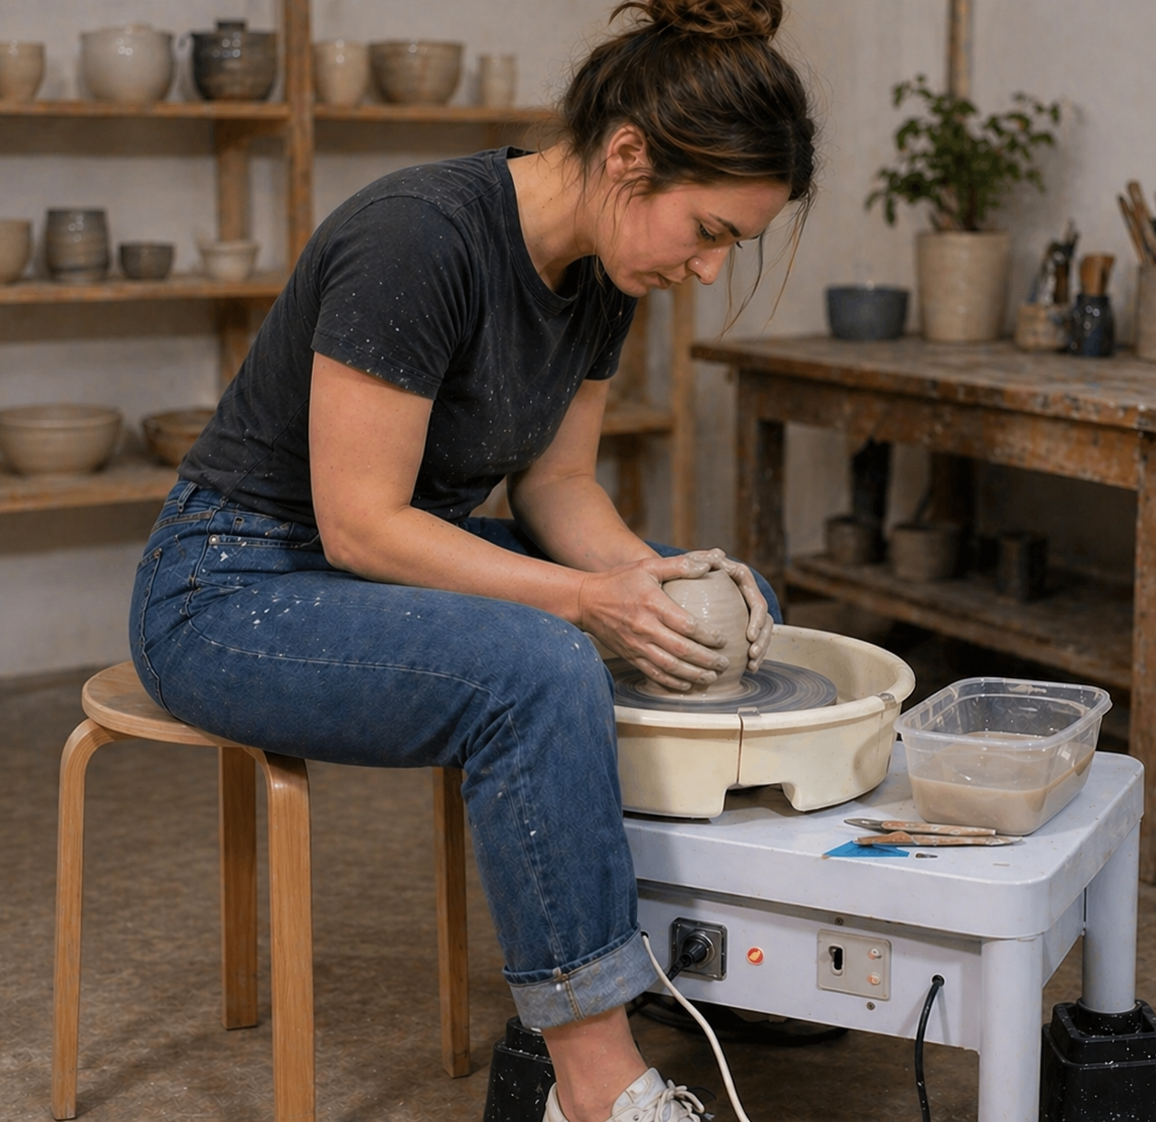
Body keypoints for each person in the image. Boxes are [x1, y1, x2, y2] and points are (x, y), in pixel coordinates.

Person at [128, 1, 816, 1119]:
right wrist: (587, 600)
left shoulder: (603, 273)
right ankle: (595, 1086)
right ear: (628, 158)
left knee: (722, 610)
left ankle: (682, 960)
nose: (706, 268)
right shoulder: (420, 237)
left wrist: (652, 579)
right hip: (232, 585)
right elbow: (360, 525)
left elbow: (557, 486)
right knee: (539, 668)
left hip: (373, 570)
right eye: (707, 231)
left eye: (728, 245)